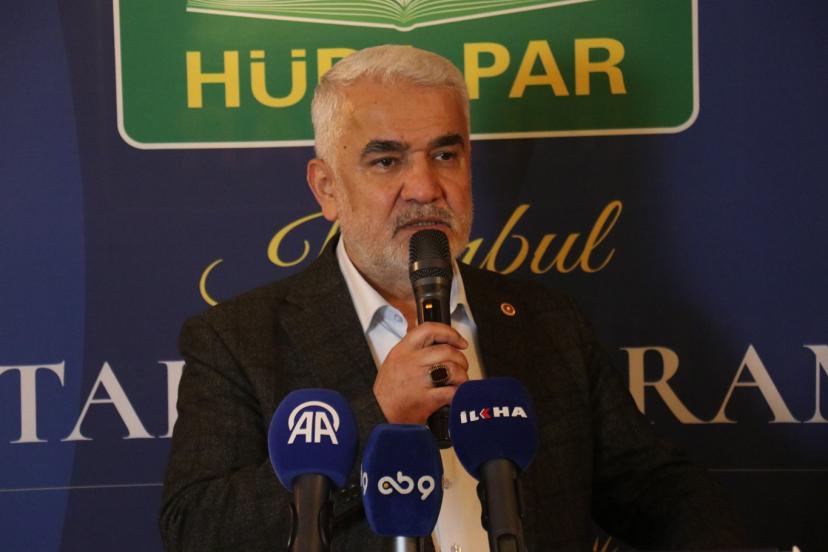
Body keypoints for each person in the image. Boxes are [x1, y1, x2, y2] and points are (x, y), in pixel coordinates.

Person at [160, 45, 744, 551]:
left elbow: (651, 487)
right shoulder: (237, 340)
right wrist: (377, 415)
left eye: (445, 154)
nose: (424, 187)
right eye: (386, 160)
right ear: (327, 188)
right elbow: (197, 529)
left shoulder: (548, 321)